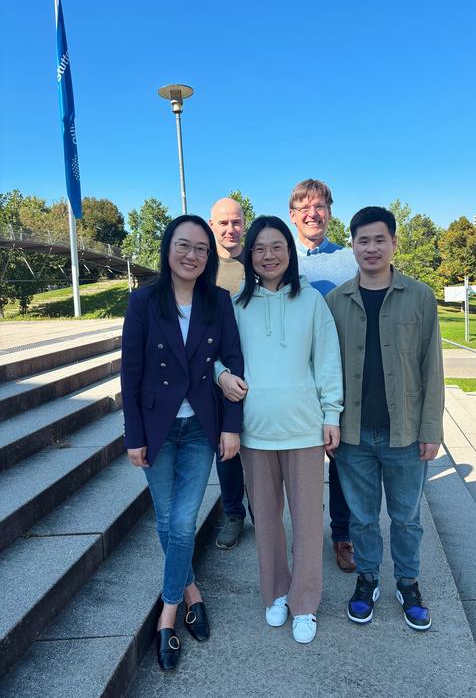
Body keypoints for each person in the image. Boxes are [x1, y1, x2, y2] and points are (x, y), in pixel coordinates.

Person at [121, 214, 243, 671]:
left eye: (200, 248)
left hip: (199, 430)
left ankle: (167, 615)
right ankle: (191, 590)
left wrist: (231, 426)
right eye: (183, 245)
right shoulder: (143, 302)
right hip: (156, 429)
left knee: (183, 520)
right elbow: (130, 373)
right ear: (168, 249)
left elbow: (232, 361)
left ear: (209, 256)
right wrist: (134, 435)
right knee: (170, 520)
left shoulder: (219, 301)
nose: (192, 255)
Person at [219, 215, 343, 644]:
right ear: (249, 255)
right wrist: (220, 375)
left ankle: (304, 603)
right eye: (260, 248)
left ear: (289, 253)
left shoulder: (312, 302)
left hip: (304, 429)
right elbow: (216, 355)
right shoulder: (237, 305)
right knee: (267, 521)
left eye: (277, 247)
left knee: (309, 522)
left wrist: (332, 415)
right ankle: (275, 594)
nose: (268, 255)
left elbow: (327, 362)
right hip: (255, 431)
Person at [325, 206, 444, 631]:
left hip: (406, 433)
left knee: (407, 517)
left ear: (394, 242)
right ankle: (368, 578)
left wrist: (432, 429)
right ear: (352, 245)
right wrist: (330, 422)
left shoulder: (420, 296)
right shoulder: (335, 301)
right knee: (361, 517)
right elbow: (326, 369)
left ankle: (408, 583)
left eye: (379, 239)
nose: (371, 247)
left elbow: (432, 367)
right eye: (362, 240)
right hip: (353, 434)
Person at [289, 178, 359, 574]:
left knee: (342, 462)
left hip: (341, 375)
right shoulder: (280, 257)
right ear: (293, 216)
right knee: (303, 467)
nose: (312, 214)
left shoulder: (350, 259)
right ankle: (304, 536)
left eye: (320, 207)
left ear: (330, 212)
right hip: (296, 378)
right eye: (304, 208)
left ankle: (342, 535)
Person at [208, 197, 250, 549]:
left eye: (235, 222)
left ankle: (266, 510)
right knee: (227, 447)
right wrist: (217, 371)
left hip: (262, 369)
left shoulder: (259, 261)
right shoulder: (202, 268)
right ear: (212, 226)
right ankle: (234, 512)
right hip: (220, 374)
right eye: (222, 223)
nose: (230, 229)